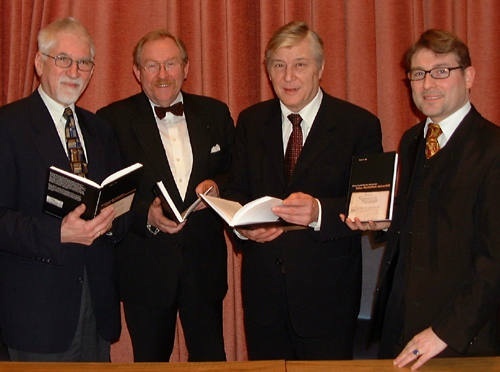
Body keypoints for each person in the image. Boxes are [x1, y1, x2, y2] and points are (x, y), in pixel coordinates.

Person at [223, 21, 383, 360]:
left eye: (300, 65)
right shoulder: (250, 121)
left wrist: (319, 212)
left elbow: (371, 205)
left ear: (320, 68)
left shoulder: (359, 125)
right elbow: (235, 190)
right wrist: (246, 228)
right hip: (263, 292)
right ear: (268, 71)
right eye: (279, 66)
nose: (288, 77)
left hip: (328, 296)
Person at [343, 29, 500, 369]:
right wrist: (387, 223)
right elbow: (425, 219)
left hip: (461, 338)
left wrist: (443, 332)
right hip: (400, 328)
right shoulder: (413, 139)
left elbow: (494, 263)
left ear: (469, 76)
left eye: (441, 71)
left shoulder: (493, 149)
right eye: (418, 73)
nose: (428, 84)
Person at [97, 30, 234, 362]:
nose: (162, 75)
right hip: (144, 271)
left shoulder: (215, 113)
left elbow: (236, 174)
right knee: (150, 364)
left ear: (186, 68)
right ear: (137, 71)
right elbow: (107, 194)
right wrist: (146, 216)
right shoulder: (111, 120)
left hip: (204, 269)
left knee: (211, 364)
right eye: (152, 65)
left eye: (170, 64)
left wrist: (217, 188)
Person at [0, 17, 125, 362]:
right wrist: (59, 233)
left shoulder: (101, 130)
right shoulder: (8, 126)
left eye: (84, 62)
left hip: (97, 307)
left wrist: (114, 220)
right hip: (36, 313)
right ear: (40, 63)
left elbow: (116, 203)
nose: (74, 70)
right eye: (63, 59)